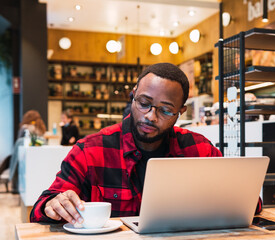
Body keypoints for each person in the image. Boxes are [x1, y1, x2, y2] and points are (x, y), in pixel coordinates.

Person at [30, 63, 262, 224]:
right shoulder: (91, 150)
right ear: (132, 95)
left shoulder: (199, 149)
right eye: (144, 103)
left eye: (165, 110)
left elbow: (252, 204)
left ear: (180, 112)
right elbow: (41, 208)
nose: (150, 116)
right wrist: (55, 203)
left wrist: (235, 197)